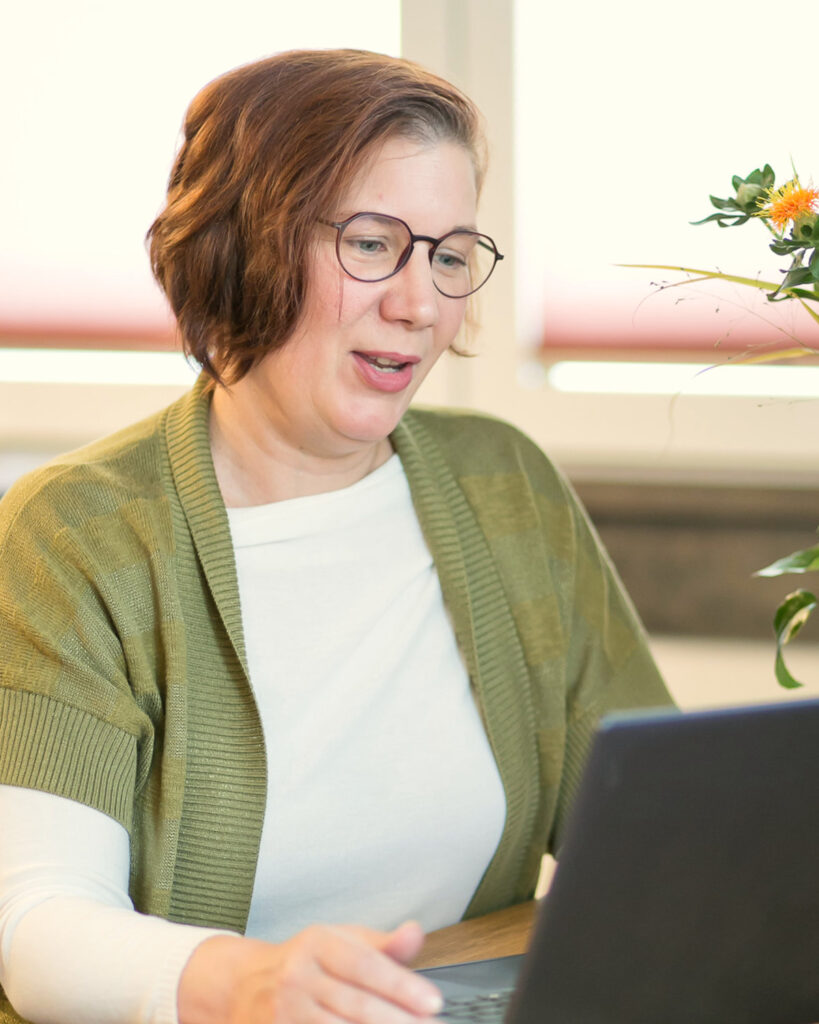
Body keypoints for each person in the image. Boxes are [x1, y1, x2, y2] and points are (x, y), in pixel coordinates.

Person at [0, 49, 673, 1024]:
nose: (421, 303)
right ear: (240, 246)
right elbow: (36, 922)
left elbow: (660, 830)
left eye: (449, 255)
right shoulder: (78, 533)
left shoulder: (504, 483)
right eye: (371, 242)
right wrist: (251, 983)